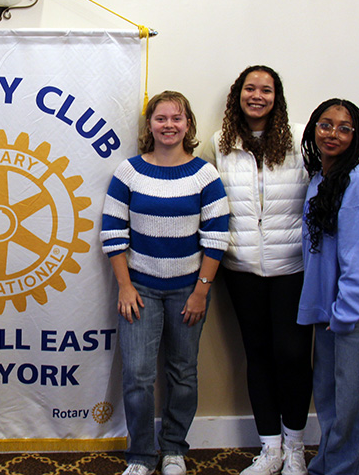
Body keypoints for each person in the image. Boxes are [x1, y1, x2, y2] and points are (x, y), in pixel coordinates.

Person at [101, 91, 230, 475]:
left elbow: (217, 236)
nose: (169, 125)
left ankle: (174, 449)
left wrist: (201, 291)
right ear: (150, 125)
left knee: (182, 372)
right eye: (161, 118)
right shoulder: (129, 172)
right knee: (137, 376)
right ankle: (140, 455)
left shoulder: (205, 175)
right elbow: (112, 232)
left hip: (188, 292)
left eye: (177, 118)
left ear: (188, 123)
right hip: (139, 290)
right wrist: (125, 286)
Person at [203, 65, 312, 475]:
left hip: (293, 267)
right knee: (258, 355)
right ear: (238, 94)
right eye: (250, 88)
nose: (257, 96)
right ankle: (270, 449)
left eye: (266, 90)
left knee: (295, 355)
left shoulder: (301, 137)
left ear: (276, 97)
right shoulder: (220, 143)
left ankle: (295, 447)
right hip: (241, 267)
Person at [298, 98, 359, 475]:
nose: (333, 134)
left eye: (344, 128)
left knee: (355, 413)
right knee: (333, 405)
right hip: (332, 314)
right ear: (313, 129)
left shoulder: (355, 183)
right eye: (326, 125)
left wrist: (342, 316)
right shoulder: (320, 178)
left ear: (356, 137)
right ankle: (328, 468)